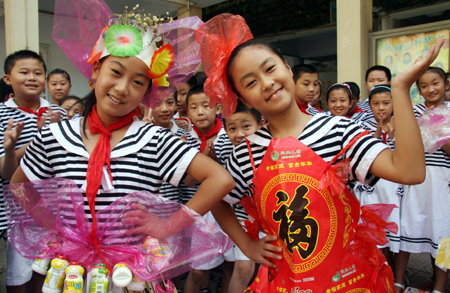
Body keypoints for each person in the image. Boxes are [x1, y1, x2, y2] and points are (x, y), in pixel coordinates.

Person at [196, 13, 441, 292]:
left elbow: (409, 171)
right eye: (250, 82)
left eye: (270, 69)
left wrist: (400, 88)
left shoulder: (338, 131)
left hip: (348, 279)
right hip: (287, 282)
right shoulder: (247, 153)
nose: (266, 83)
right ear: (242, 98)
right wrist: (248, 246)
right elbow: (218, 200)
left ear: (288, 68)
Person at [8, 12, 234, 293]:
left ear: (147, 93)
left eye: (138, 82)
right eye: (115, 72)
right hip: (74, 273)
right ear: (94, 73)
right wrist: (53, 225)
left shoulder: (153, 139)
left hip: (134, 276)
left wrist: (166, 226)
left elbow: (220, 179)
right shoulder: (55, 136)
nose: (122, 88)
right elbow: (19, 184)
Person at [0, 49, 65, 293]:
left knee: (49, 277)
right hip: (18, 214)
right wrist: (12, 148)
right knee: (19, 278)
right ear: (8, 79)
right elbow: (7, 174)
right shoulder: (2, 115)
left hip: (54, 211)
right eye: (24, 72)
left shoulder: (58, 113)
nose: (32, 78)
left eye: (38, 73)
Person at [394, 66, 450, 293]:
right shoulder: (413, 111)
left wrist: (439, 130)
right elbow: (404, 144)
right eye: (424, 86)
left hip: (441, 180)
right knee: (406, 226)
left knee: (442, 233)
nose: (430, 89)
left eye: (435, 83)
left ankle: (439, 286)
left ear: (446, 84)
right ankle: (398, 281)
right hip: (415, 178)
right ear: (418, 90)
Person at [182, 84, 234, 293]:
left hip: (231, 209)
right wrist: (204, 165)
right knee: (198, 271)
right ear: (188, 112)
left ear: (218, 107)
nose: (200, 112)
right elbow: (187, 183)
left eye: (206, 105)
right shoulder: (185, 141)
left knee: (231, 265)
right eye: (194, 107)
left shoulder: (229, 134)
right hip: (203, 212)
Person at [354, 84, 401, 269]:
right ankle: (371, 271)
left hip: (393, 187)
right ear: (369, 105)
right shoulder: (361, 125)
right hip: (371, 188)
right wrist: (374, 136)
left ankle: (390, 272)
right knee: (371, 230)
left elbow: (406, 155)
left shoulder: (402, 124)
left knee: (390, 228)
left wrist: (393, 136)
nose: (381, 108)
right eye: (376, 103)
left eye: (386, 103)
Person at [222, 99, 265, 293]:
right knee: (243, 267)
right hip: (243, 218)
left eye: (246, 126)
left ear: (261, 125)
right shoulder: (235, 159)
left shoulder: (274, 150)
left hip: (273, 220)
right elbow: (223, 199)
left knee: (265, 268)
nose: (239, 134)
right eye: (232, 128)